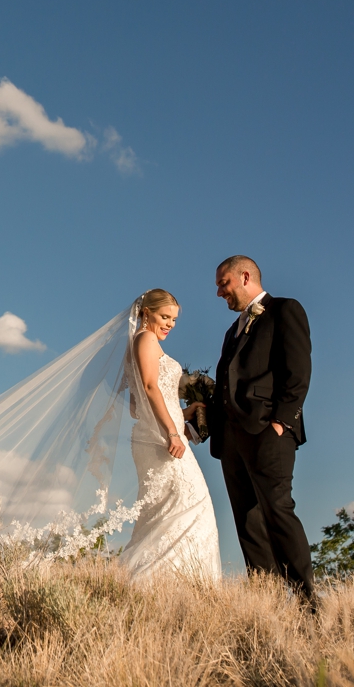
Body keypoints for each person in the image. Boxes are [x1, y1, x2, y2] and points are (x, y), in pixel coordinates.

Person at [189, 255, 315, 603]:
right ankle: (267, 602)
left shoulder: (284, 310)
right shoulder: (232, 330)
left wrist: (280, 422)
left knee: (277, 510)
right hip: (231, 439)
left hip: (267, 432)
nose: (218, 292)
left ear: (245, 276)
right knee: (248, 522)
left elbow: (298, 372)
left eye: (222, 283)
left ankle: (308, 601)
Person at [118, 289, 222, 580]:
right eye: (165, 317)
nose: (170, 325)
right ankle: (174, 581)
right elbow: (151, 387)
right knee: (193, 506)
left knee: (165, 513)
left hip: (153, 435)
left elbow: (137, 409)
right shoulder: (146, 339)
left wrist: (185, 414)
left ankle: (159, 582)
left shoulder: (135, 344)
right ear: (146, 312)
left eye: (174, 320)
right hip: (164, 440)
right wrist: (174, 432)